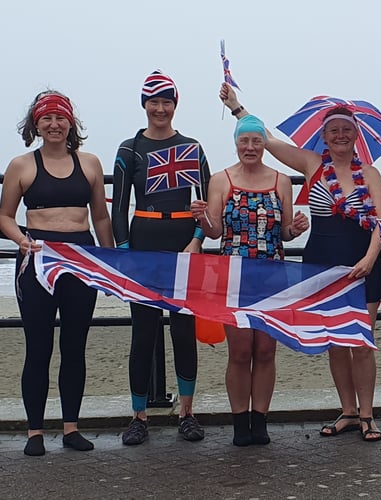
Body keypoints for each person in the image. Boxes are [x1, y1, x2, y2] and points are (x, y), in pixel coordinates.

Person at [220, 83, 381, 442]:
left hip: (362, 263)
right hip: (321, 263)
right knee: (334, 340)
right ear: (324, 137)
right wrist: (238, 108)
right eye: (333, 131)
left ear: (356, 135)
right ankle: (347, 410)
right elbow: (265, 139)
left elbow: (380, 224)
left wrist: (370, 258)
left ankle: (368, 415)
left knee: (361, 339)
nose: (340, 136)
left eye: (346, 130)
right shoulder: (312, 164)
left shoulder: (371, 174)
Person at [0, 91, 114, 456]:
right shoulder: (21, 165)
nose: (53, 124)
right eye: (46, 118)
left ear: (70, 124)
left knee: (75, 346)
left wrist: (110, 263)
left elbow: (100, 216)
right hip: (38, 261)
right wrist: (20, 239)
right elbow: (5, 216)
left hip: (80, 260)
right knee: (38, 347)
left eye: (60, 118)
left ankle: (70, 427)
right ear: (36, 124)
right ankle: (35, 431)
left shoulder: (90, 163)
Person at [189, 115, 309, 446]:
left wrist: (295, 229)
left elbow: (284, 230)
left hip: (272, 274)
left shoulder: (281, 180)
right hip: (235, 275)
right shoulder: (220, 179)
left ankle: (261, 421)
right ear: (236, 143)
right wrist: (202, 217)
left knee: (266, 350)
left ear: (264, 145)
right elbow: (215, 231)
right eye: (245, 141)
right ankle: (240, 422)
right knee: (240, 351)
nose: (251, 147)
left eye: (257, 141)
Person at [111, 70, 211, 445]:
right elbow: (118, 207)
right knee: (144, 332)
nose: (159, 108)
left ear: (175, 104)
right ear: (144, 105)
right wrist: (124, 252)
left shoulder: (193, 147)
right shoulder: (130, 148)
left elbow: (207, 202)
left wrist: (199, 239)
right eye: (153, 102)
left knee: (184, 331)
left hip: (184, 243)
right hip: (144, 241)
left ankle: (187, 412)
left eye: (166, 101)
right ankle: (138, 416)